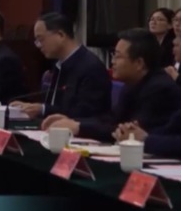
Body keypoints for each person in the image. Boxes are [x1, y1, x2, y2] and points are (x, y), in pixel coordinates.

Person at [43, 28, 180, 141]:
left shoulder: (160, 89)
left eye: (118, 56)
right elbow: (112, 120)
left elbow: (128, 131)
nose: (112, 61)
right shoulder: (132, 83)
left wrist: (78, 127)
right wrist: (73, 121)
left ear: (139, 63)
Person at [11, 13, 111, 121]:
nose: (39, 46)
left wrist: (42, 109)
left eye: (41, 39)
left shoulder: (91, 68)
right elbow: (56, 106)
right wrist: (34, 109)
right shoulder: (59, 65)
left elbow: (83, 114)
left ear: (61, 35)